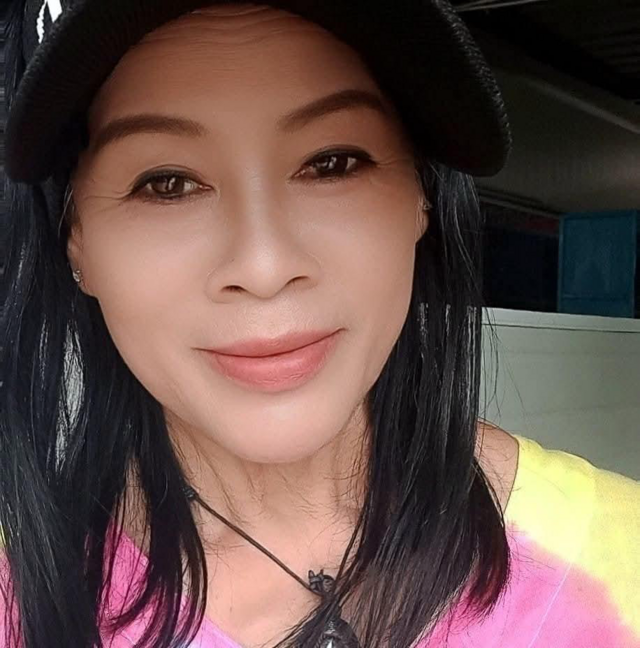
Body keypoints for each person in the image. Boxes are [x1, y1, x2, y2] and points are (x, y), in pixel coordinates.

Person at [1, 1, 638, 647]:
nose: (264, 267)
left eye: (332, 162)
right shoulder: (15, 599)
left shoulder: (621, 560)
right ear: (75, 238)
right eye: (167, 183)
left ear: (420, 196)